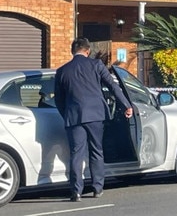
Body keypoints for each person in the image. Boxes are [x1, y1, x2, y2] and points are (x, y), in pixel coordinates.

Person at [54, 37, 133, 202]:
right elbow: (113, 86)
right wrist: (126, 105)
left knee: (76, 153)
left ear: (72, 51)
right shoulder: (96, 65)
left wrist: (66, 114)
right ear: (87, 51)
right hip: (95, 115)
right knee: (96, 151)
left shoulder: (62, 71)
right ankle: (97, 188)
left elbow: (58, 100)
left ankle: (76, 192)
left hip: (74, 117)